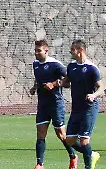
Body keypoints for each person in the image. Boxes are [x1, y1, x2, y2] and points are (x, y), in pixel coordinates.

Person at [30, 39, 75, 169]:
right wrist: (34, 87)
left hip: (56, 103)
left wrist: (54, 84)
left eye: (39, 51)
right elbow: (38, 79)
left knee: (61, 135)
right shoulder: (35, 64)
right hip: (42, 104)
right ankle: (39, 164)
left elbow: (69, 80)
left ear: (46, 51)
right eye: (35, 51)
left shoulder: (55, 64)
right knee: (40, 133)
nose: (36, 53)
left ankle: (73, 156)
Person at [64, 39, 102, 169]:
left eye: (73, 50)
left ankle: (88, 166)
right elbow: (67, 82)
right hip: (76, 109)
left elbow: (101, 87)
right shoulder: (71, 66)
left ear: (81, 50)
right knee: (69, 140)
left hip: (89, 108)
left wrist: (93, 95)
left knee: (84, 141)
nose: (70, 52)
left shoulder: (91, 68)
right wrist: (60, 83)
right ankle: (91, 154)